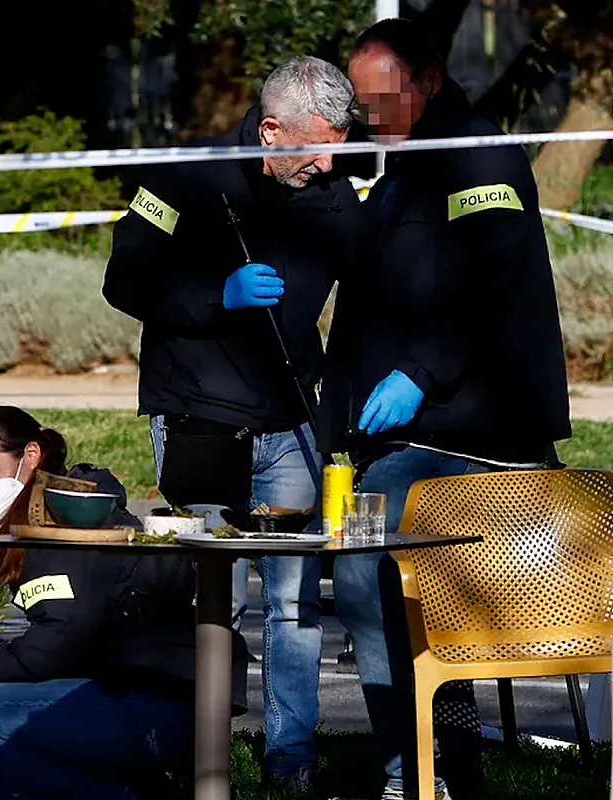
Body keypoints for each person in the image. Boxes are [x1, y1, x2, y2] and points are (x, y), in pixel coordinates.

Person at [319, 18, 571, 800]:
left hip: (463, 433)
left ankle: (428, 770)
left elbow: (492, 280)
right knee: (361, 578)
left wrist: (420, 374)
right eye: (357, 102)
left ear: (428, 81)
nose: (367, 115)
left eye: (378, 98)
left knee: (375, 580)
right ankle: (428, 764)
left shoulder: (477, 155)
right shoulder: (404, 166)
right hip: (382, 439)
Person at [103, 55, 364, 791]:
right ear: (271, 128)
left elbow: (373, 288)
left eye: (336, 150)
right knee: (218, 600)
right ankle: (197, 751)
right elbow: (123, 280)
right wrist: (216, 293)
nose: (325, 164)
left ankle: (292, 760)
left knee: (292, 603)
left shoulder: (331, 187)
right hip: (198, 420)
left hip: (291, 423)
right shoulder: (184, 175)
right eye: (314, 148)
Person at [0, 406, 228, 800]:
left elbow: (56, 646)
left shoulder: (64, 519)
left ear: (31, 455)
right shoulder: (72, 504)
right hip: (159, 699)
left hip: (151, 707)